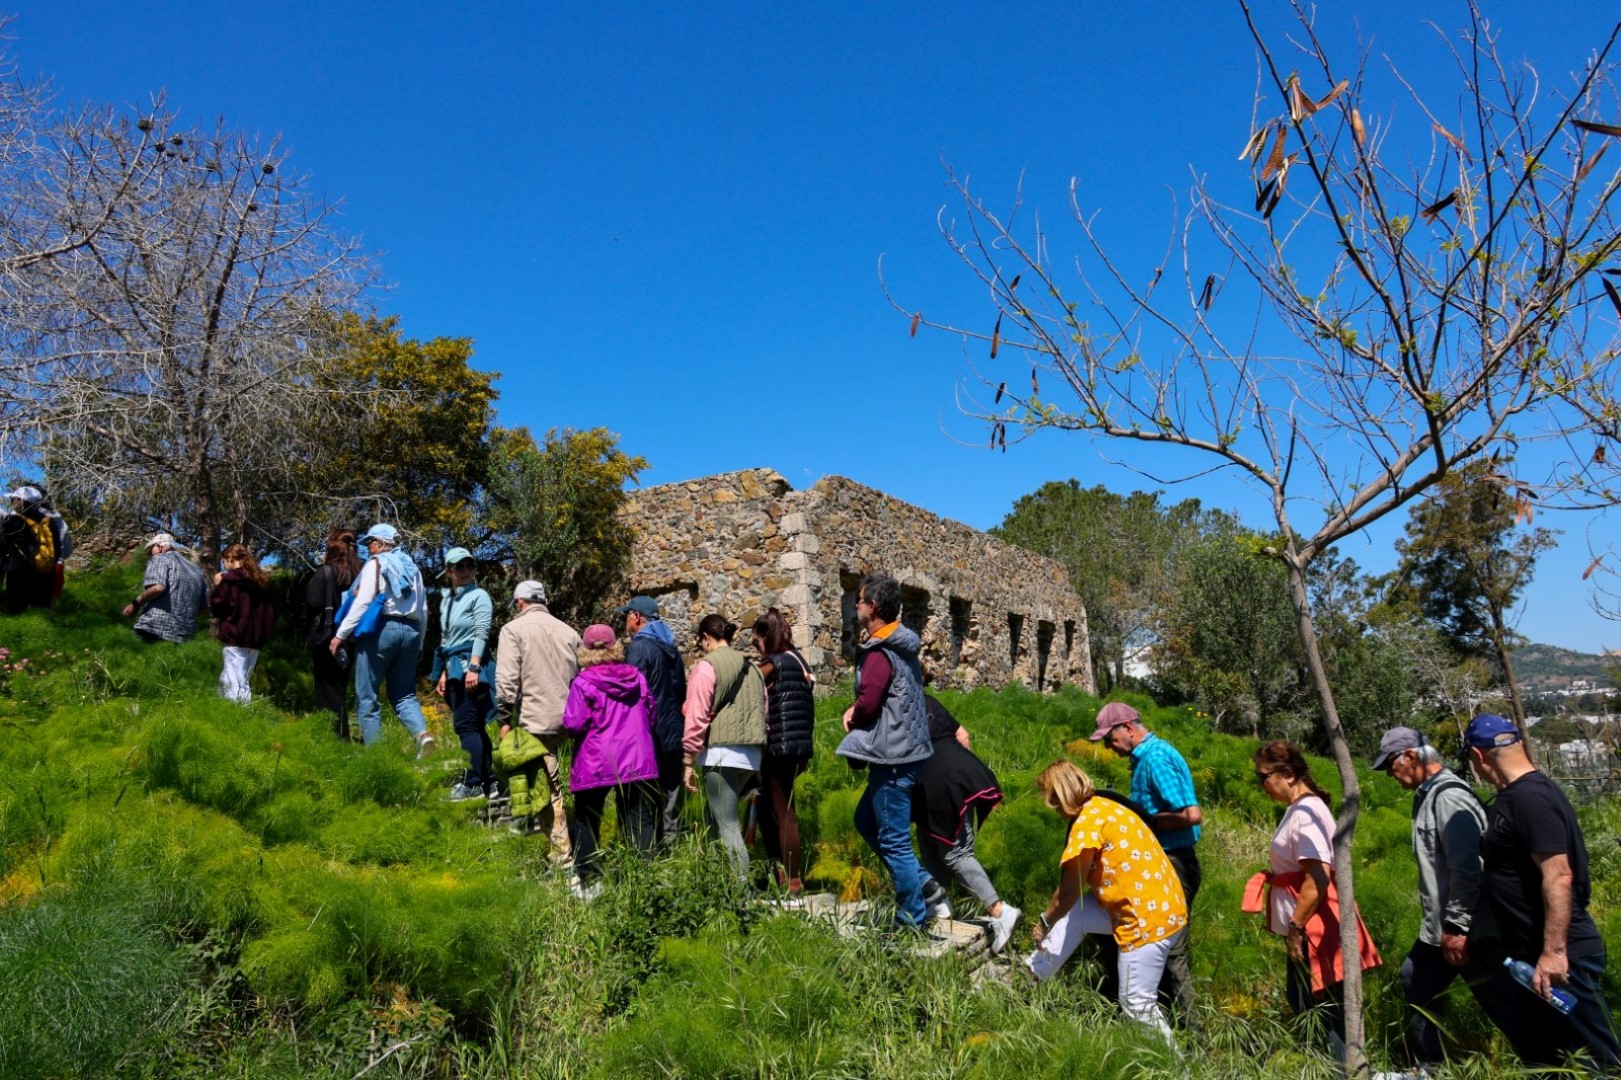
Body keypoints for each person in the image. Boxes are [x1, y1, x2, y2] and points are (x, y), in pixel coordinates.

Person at [1461, 713, 1621, 1072]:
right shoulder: (1516, 796)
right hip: (1531, 960)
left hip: (1564, 962)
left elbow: (1558, 875)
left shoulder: (1529, 799)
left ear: (1478, 756)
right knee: (1552, 1061)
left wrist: (1554, 953)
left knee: (1600, 1064)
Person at [1025, 759, 1188, 1040]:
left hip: (1145, 920)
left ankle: (1174, 1069)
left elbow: (1068, 891)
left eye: (1048, 797)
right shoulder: (1107, 806)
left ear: (1058, 795)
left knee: (1137, 1004)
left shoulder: (1087, 824)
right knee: (1075, 914)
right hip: (1164, 904)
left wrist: (1043, 923)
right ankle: (1032, 975)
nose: (1048, 805)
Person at [1245, 740, 1380, 1063]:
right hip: (1310, 923)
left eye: (1263, 777)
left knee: (1323, 1005)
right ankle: (1333, 1066)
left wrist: (1295, 928)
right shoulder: (1300, 808)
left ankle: (1344, 1068)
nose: (1261, 784)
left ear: (1288, 774)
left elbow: (1317, 879)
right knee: (1309, 1001)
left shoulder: (1306, 813)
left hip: (1316, 926)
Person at [1370, 725, 1486, 1068]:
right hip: (1442, 928)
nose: (1390, 775)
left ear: (1410, 755)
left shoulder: (1448, 796)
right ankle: (1430, 1067)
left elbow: (1467, 868)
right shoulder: (1426, 794)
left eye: (1390, 766)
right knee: (1414, 978)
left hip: (1463, 926)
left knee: (1500, 996)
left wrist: (1457, 927)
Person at [1090, 701, 1203, 1026]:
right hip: (1163, 863)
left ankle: (1191, 1032)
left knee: (1171, 948)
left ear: (1127, 728)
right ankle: (1157, 1014)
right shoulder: (1147, 758)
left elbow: (1190, 814)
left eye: (1110, 739)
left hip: (1175, 863)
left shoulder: (1154, 760)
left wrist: (1146, 823)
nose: (1111, 747)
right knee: (1157, 944)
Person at [835, 572, 938, 929]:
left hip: (894, 756)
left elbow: (870, 700)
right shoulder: (899, 644)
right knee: (866, 820)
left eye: (860, 601)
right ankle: (923, 882)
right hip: (906, 749)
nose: (857, 606)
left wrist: (853, 711)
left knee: (894, 841)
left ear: (873, 607)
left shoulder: (880, 651)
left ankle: (912, 919)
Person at [913, 689, 1020, 952]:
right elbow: (963, 735)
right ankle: (939, 904)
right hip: (961, 771)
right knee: (927, 837)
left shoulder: (897, 706)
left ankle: (1000, 911)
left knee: (956, 852)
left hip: (939, 780)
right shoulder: (928, 700)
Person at [560, 623, 661, 898]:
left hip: (597, 760)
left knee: (587, 820)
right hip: (637, 758)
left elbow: (573, 723)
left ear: (586, 649)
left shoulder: (583, 682)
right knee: (639, 819)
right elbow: (651, 714)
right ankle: (643, 881)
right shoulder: (636, 677)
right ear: (616, 646)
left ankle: (591, 882)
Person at [330, 523, 434, 756]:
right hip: (412, 631)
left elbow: (363, 602)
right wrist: (420, 643)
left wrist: (340, 635)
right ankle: (423, 735)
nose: (368, 548)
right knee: (404, 694)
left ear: (381, 544)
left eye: (370, 542)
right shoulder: (412, 569)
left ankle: (376, 758)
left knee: (368, 695)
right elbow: (424, 609)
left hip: (381, 630)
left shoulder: (375, 565)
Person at [493, 580, 579, 857]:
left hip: (534, 719)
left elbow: (506, 679)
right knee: (544, 780)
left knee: (547, 788)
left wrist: (504, 720)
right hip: (566, 719)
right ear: (544, 601)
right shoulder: (569, 632)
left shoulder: (513, 630)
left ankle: (562, 858)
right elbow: (579, 679)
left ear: (519, 602)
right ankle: (546, 841)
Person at [681, 613, 766, 879]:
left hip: (721, 752)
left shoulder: (707, 666)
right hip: (752, 754)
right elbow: (765, 713)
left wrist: (687, 760)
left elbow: (696, 716)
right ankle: (718, 885)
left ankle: (739, 896)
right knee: (714, 820)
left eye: (700, 642)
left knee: (727, 825)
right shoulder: (752, 668)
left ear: (706, 638)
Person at [752, 607, 815, 896]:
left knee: (784, 814)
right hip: (799, 747)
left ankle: (792, 883)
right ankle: (782, 875)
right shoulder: (799, 659)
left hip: (779, 745)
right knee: (773, 810)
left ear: (767, 636)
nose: (756, 647)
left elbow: (746, 684)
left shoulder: (773, 664)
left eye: (756, 641)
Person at [619, 595, 688, 842]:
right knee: (671, 795)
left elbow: (633, 691)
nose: (625, 621)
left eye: (627, 615)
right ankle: (674, 850)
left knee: (646, 799)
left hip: (652, 732)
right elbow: (681, 692)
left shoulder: (639, 647)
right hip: (675, 731)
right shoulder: (671, 647)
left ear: (637, 617)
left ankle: (649, 856)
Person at [429, 548, 495, 802]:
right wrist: (445, 672)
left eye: (470, 566)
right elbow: (447, 638)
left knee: (466, 725)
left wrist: (474, 666)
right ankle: (488, 778)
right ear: (449, 571)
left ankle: (473, 783)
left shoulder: (479, 596)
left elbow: (481, 631)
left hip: (471, 665)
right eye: (460, 567)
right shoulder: (448, 601)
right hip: (454, 667)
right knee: (474, 726)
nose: (466, 571)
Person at [305, 529, 361, 738]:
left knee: (326, 694)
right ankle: (341, 740)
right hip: (351, 641)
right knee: (338, 692)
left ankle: (334, 743)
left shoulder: (326, 572)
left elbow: (313, 603)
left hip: (327, 639)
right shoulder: (358, 575)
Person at [209, 543, 275, 703]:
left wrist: (218, 586)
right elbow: (271, 613)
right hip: (255, 641)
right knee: (241, 682)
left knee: (232, 685)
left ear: (230, 558)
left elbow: (217, 608)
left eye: (224, 561)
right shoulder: (261, 582)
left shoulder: (229, 581)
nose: (225, 566)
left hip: (235, 637)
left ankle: (237, 722)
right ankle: (236, 720)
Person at [122, 533, 208, 643]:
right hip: (184, 637)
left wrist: (135, 604)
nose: (150, 556)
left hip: (153, 628)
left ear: (159, 547)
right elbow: (205, 609)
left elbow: (158, 588)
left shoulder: (160, 558)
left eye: (150, 551)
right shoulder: (197, 570)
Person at [3, 487, 56, 613]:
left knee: (15, 607)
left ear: (21, 501)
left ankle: (17, 626)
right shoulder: (41, 521)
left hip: (16, 566)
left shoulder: (14, 520)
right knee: (30, 604)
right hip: (34, 564)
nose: (11, 503)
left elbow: (3, 543)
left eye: (13, 500)